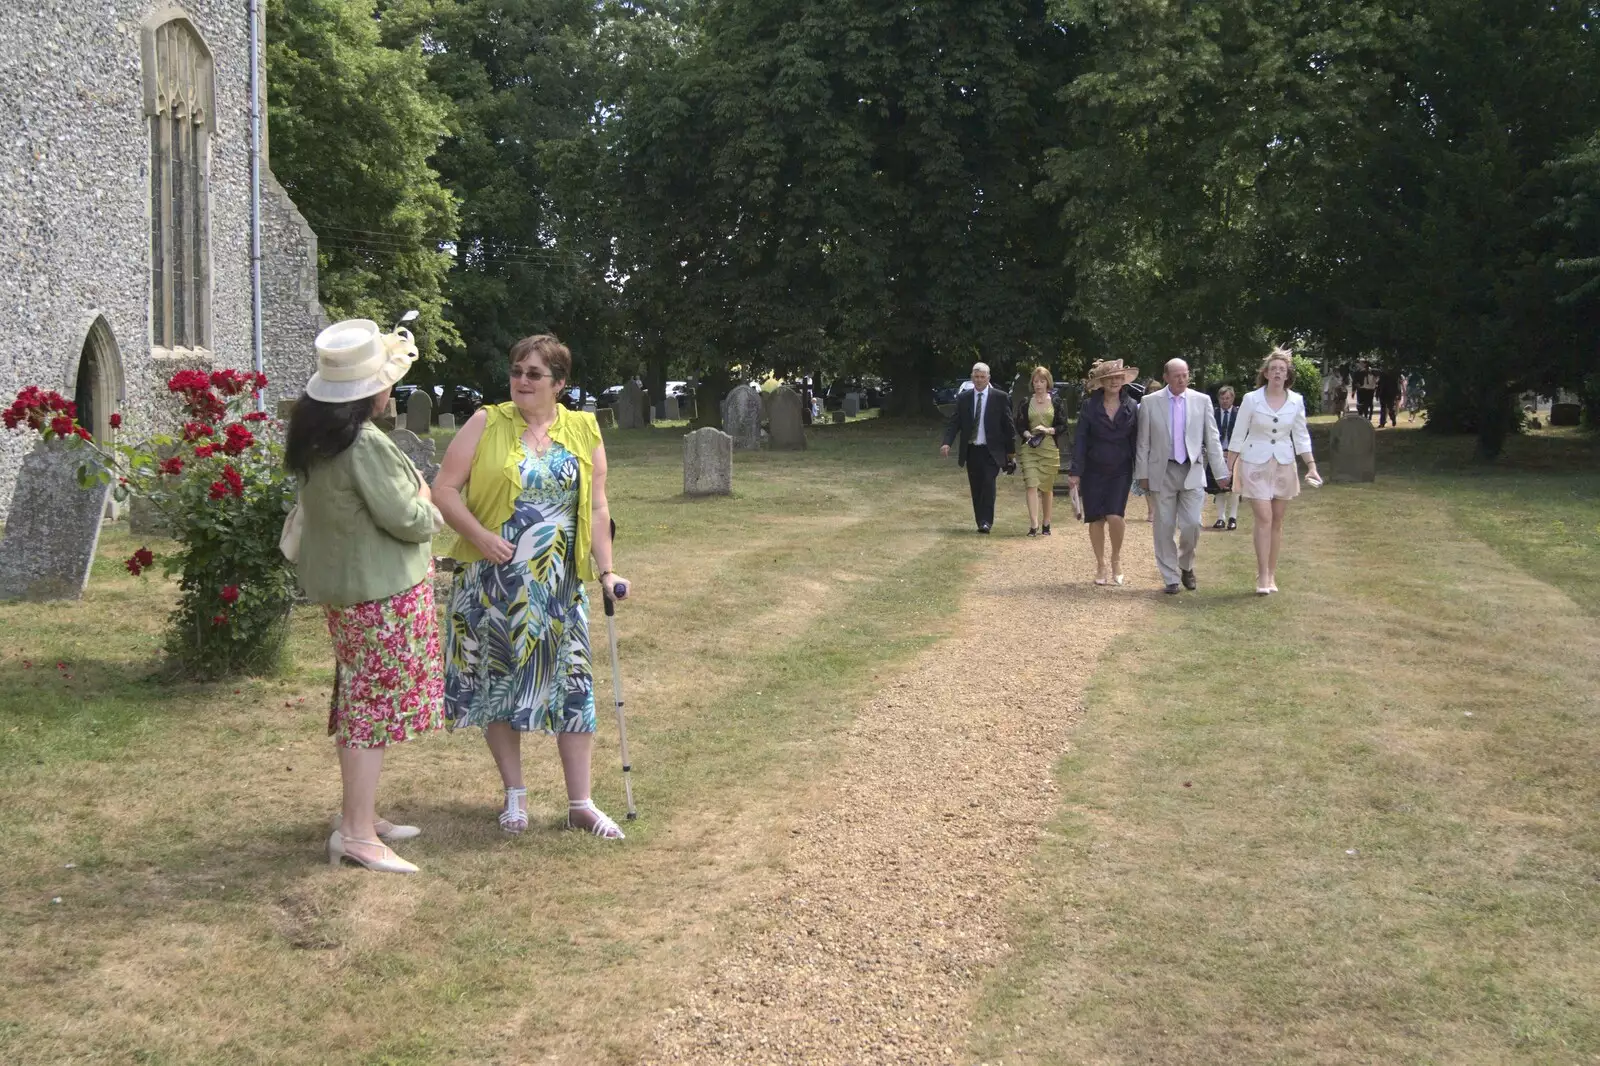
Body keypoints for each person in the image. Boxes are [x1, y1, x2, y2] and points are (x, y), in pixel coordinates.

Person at [433, 334, 632, 839]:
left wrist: (606, 570)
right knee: (497, 688)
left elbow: (598, 506)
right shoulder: (486, 422)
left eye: (534, 374)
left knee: (573, 688)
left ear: (559, 384)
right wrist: (478, 537)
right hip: (492, 583)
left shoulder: (584, 429)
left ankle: (580, 803)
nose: (522, 381)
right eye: (517, 371)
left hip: (558, 586)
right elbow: (444, 490)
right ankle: (515, 796)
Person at [288, 319, 447, 875]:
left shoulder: (319, 439)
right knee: (371, 709)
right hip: (379, 592)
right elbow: (408, 518)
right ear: (367, 393)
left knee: (361, 698)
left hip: (347, 590)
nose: (391, 391)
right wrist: (429, 499)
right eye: (387, 381)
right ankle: (356, 834)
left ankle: (359, 815)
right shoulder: (363, 444)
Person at [1226, 347, 1319, 594]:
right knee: (1264, 517)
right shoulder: (1251, 399)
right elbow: (1238, 433)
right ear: (1266, 373)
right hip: (1254, 462)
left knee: (1277, 520)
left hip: (1284, 464)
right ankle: (1262, 575)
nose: (1278, 373)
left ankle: (1271, 573)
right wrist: (1228, 465)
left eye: (1282, 369)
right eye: (1274, 369)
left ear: (1287, 374)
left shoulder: (1296, 401)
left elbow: (1301, 435)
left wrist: (1311, 466)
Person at [1134, 358, 1231, 594]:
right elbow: (1143, 442)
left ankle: (1186, 565)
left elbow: (1213, 439)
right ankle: (1170, 578)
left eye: (1185, 375)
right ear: (1166, 377)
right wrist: (1142, 474)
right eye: (1176, 375)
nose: (1181, 379)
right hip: (1162, 470)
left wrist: (1221, 473)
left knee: (1192, 524)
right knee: (1164, 526)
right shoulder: (1149, 402)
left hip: (1192, 470)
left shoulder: (1202, 401)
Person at [1067, 359, 1140, 585]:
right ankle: (1100, 564)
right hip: (1093, 469)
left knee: (1115, 515)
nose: (1115, 382)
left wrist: (1142, 470)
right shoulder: (1089, 406)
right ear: (1102, 382)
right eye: (1110, 378)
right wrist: (1075, 472)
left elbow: (1137, 439)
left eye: (1119, 378)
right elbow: (1080, 439)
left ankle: (1116, 558)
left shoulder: (1132, 406)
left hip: (1121, 468)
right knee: (1096, 518)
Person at [940, 362, 1016, 533]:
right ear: (972, 378)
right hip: (972, 449)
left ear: (988, 378)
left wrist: (1011, 453)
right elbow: (955, 423)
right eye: (976, 377)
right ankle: (979, 520)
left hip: (992, 451)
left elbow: (1008, 426)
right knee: (976, 486)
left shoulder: (1000, 397)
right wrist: (947, 442)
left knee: (988, 484)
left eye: (982, 377)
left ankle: (986, 522)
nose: (979, 380)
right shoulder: (964, 398)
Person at [1014, 366, 1069, 536]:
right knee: (1031, 484)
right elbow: (1019, 425)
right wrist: (1027, 433)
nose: (1038, 384)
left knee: (1046, 487)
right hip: (1030, 448)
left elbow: (1063, 426)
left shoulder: (1056, 401)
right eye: (1035, 381)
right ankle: (1033, 524)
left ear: (1048, 382)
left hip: (1049, 449)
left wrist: (1047, 430)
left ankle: (1047, 523)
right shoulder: (1025, 402)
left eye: (1042, 381)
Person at [1208, 386, 1242, 530]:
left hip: (1236, 454)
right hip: (1217, 454)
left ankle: (1232, 518)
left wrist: (1235, 451)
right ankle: (1220, 518)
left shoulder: (1239, 413)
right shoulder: (1212, 413)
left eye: (1227, 398)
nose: (1225, 401)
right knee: (1219, 488)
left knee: (1234, 488)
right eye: (1222, 398)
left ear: (1232, 398)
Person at [1127, 378, 1158, 522]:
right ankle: (1151, 510)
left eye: (1157, 390)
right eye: (1151, 390)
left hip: (1161, 448)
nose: (1154, 393)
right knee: (1146, 479)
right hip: (1145, 447)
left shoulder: (1167, 406)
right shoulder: (1139, 407)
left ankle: (1160, 509)